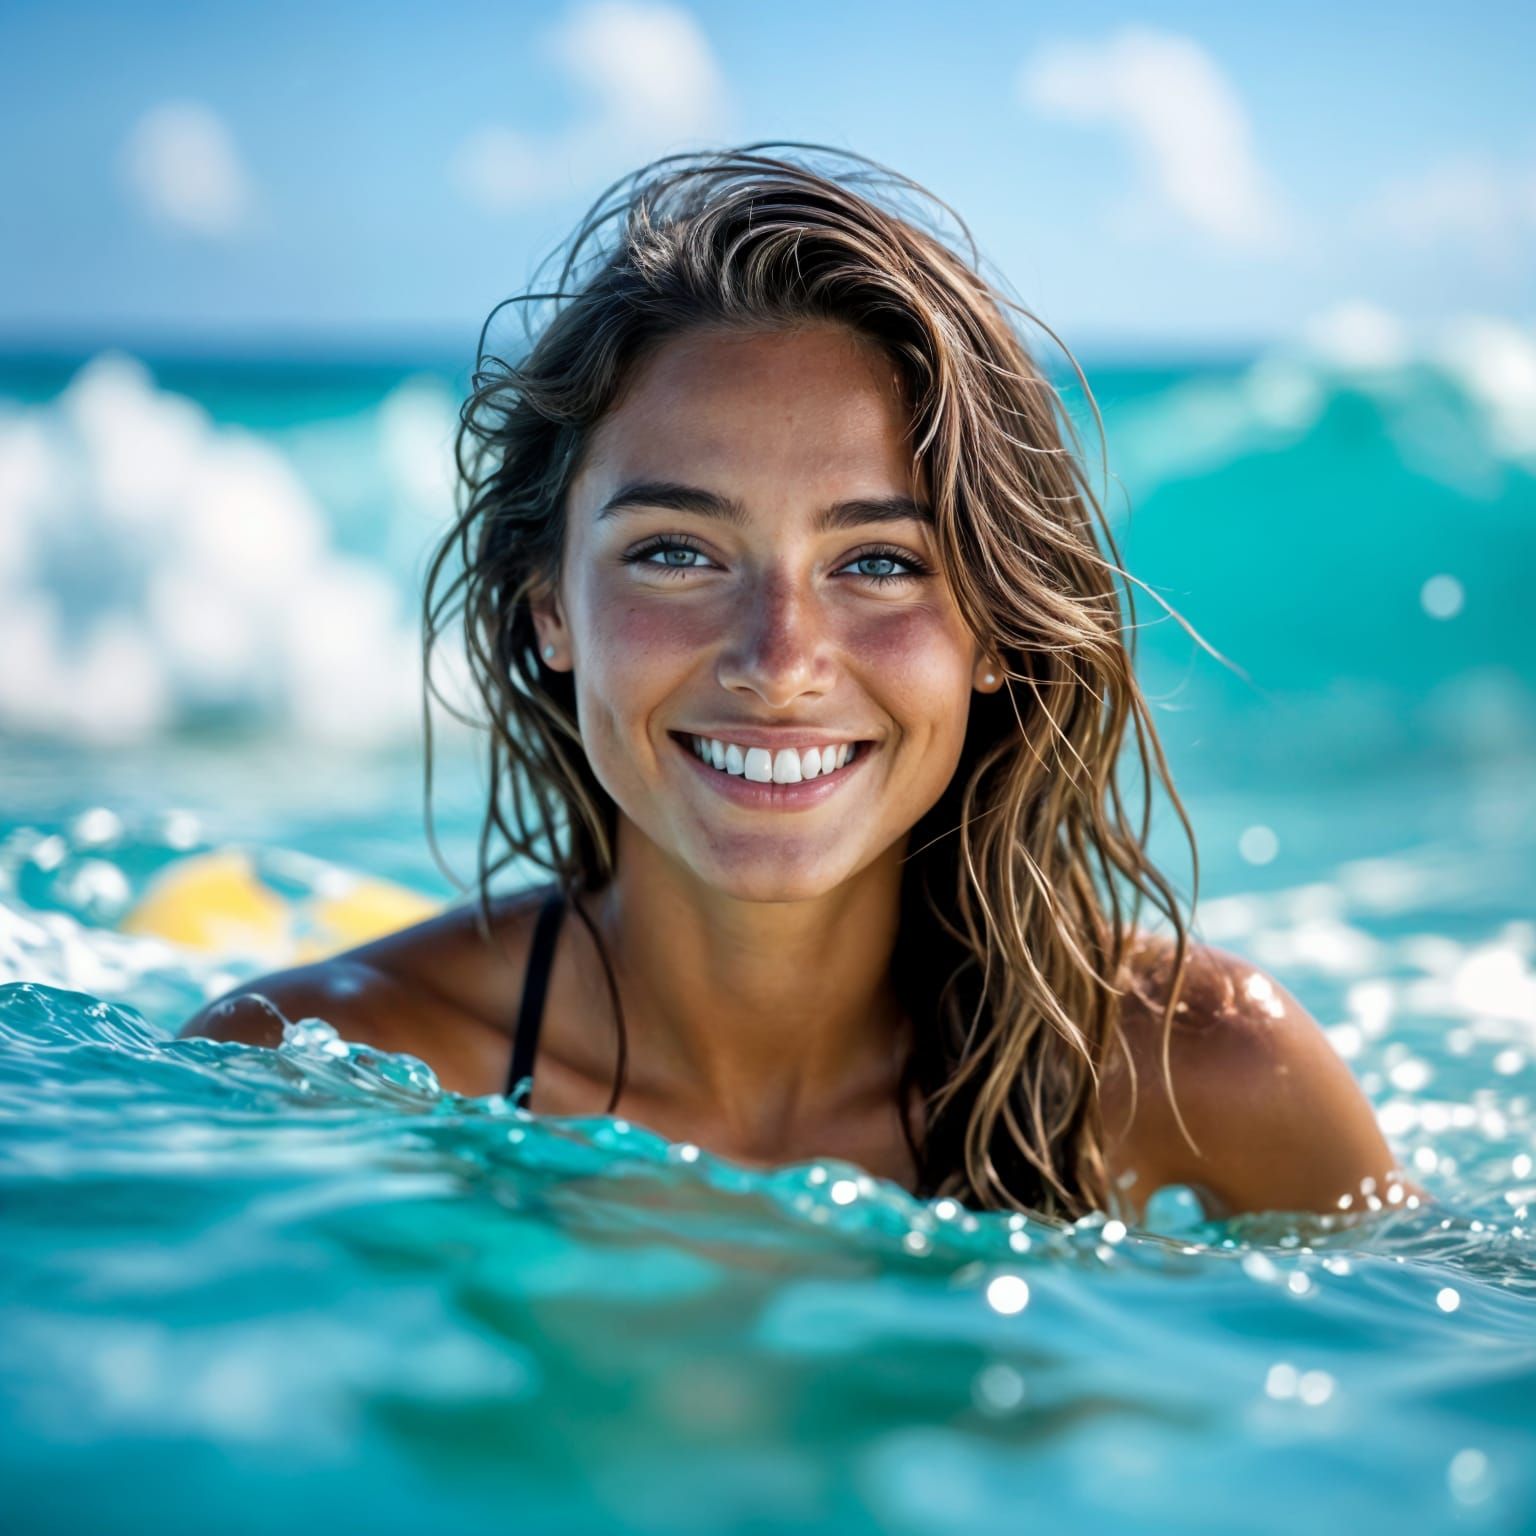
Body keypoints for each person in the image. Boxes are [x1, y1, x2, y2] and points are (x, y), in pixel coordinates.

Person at [181, 143, 1414, 1223]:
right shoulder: (310, 1079)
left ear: (996, 627)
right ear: (548, 603)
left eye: (878, 562)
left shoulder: (1210, 1076)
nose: (778, 662)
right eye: (675, 552)